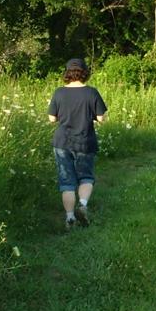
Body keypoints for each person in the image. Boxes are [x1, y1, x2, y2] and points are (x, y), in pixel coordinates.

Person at [48, 58, 107, 229]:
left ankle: (69, 218)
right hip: (85, 141)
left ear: (67, 73)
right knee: (86, 177)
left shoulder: (59, 92)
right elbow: (101, 118)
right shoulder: (92, 92)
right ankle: (82, 205)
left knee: (66, 182)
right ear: (85, 73)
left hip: (62, 142)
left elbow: (52, 118)